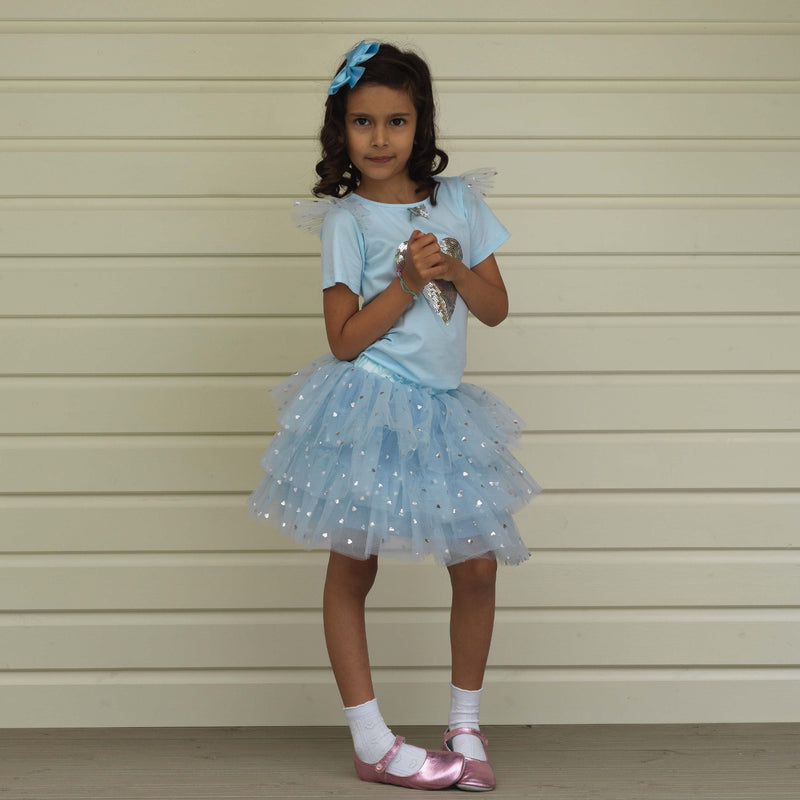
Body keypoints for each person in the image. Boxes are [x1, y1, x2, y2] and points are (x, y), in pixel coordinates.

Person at [248, 40, 542, 791]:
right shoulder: (346, 221)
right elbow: (343, 341)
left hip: (445, 413)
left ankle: (466, 728)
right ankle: (371, 738)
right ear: (340, 131)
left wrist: (455, 267)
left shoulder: (461, 204)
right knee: (355, 564)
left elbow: (497, 309)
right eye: (362, 122)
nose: (379, 139)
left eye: (397, 122)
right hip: (371, 406)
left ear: (422, 125)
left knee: (476, 567)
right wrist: (409, 282)